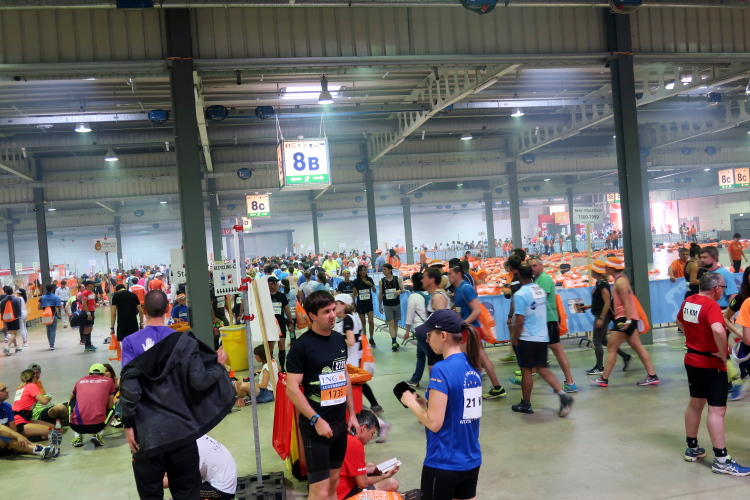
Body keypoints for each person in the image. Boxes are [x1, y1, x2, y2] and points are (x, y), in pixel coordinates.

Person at [120, 290, 235, 500]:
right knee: (187, 493)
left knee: (150, 495)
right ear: (168, 309)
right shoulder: (185, 341)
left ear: (143, 311)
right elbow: (200, 381)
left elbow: (130, 388)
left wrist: (128, 425)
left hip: (147, 436)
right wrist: (218, 366)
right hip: (182, 432)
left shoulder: (130, 342)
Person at [398, 309, 483, 500]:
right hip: (471, 460)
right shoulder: (472, 364)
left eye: (429, 335)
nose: (427, 340)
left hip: (444, 461)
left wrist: (411, 403)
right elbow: (459, 407)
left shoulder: (441, 369)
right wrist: (425, 404)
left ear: (443, 336)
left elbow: (434, 423)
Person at [285, 291, 359, 500]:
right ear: (312, 316)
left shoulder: (338, 340)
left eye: (333, 310)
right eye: (326, 312)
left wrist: (352, 415)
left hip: (339, 424)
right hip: (315, 427)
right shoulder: (301, 347)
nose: (333, 315)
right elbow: (292, 388)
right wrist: (316, 420)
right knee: (319, 491)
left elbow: (344, 376)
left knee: (334, 484)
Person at [677, 272, 750, 476]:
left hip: (692, 360)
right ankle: (722, 459)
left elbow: (679, 322)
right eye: (724, 288)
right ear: (717, 288)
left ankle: (692, 448)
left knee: (695, 404)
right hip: (711, 364)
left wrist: (694, 339)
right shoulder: (711, 307)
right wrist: (722, 352)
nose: (724, 291)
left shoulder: (689, 301)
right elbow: (718, 330)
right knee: (717, 411)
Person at [510, 265, 575, 416]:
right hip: (542, 336)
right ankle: (562, 395)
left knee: (526, 370)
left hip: (527, 337)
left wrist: (515, 338)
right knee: (542, 368)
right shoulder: (539, 290)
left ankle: (526, 404)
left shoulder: (520, 294)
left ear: (519, 276)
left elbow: (520, 320)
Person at [591, 257, 659, 387]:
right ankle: (652, 375)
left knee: (611, 347)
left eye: (607, 266)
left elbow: (627, 302)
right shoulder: (620, 280)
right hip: (628, 318)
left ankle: (604, 378)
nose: (605, 268)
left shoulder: (620, 282)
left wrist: (627, 320)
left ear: (612, 268)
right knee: (637, 347)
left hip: (624, 319)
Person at [447, 266, 506, 399]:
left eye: (450, 274)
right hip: (471, 329)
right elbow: (460, 307)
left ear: (458, 274)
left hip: (470, 329)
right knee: (481, 358)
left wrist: (462, 324)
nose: (448, 276)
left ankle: (462, 391)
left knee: (460, 360)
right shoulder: (458, 289)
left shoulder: (466, 288)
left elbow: (477, 310)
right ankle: (497, 387)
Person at [527, 258, 577, 393]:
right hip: (541, 320)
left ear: (541, 266)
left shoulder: (544, 279)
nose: (532, 268)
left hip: (548, 319)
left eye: (535, 265)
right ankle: (527, 374)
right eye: (530, 266)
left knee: (557, 350)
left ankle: (570, 382)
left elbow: (539, 298)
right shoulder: (536, 280)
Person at [581, 260, 631, 375]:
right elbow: (602, 302)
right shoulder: (599, 283)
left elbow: (607, 302)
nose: (591, 271)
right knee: (603, 340)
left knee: (596, 340)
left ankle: (599, 366)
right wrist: (589, 306)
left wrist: (601, 318)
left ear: (596, 272)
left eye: (592, 270)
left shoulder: (602, 285)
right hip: (600, 314)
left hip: (602, 315)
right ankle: (625, 356)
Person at [336, 410, 399, 500]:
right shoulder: (355, 445)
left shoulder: (346, 436)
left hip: (335, 489)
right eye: (372, 433)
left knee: (370, 465)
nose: (372, 437)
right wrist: (386, 476)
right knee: (392, 483)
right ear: (363, 428)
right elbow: (363, 483)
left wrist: (378, 468)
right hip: (343, 495)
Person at [163, 435, 238, 500]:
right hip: (223, 483)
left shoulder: (192, 450)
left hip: (222, 491)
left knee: (181, 487)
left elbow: (171, 482)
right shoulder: (195, 437)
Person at [11, 370, 63, 455]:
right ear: (34, 377)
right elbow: (44, 401)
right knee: (52, 432)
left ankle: (30, 438)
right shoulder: (31, 386)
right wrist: (48, 398)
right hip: (20, 421)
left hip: (21, 418)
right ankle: (23, 441)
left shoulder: (20, 388)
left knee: (52, 427)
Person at [0, 381, 55, 459]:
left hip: (8, 441)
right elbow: (1, 429)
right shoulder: (31, 386)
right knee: (4, 435)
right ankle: (37, 448)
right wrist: (18, 436)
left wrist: (17, 437)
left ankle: (40, 449)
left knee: (17, 444)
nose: (7, 390)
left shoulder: (7, 406)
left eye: (6, 388)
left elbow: (13, 428)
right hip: (16, 427)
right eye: (3, 390)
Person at [69, 363, 116, 448]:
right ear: (103, 373)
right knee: (113, 408)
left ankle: (77, 437)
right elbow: (109, 406)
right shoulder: (109, 381)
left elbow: (71, 397)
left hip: (75, 426)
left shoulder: (80, 380)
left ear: (89, 373)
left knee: (72, 401)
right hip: (97, 426)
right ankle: (98, 434)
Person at [404, 272, 430, 387]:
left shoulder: (413, 296)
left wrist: (407, 331)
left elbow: (410, 316)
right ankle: (415, 379)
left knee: (431, 356)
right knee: (420, 355)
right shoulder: (430, 293)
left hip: (420, 329)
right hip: (430, 328)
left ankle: (440, 380)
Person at [268, 275, 294, 372]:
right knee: (270, 346)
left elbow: (286, 309)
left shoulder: (282, 296)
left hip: (281, 322)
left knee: (282, 343)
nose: (275, 284)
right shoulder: (265, 296)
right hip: (270, 324)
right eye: (273, 283)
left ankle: (282, 367)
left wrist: (290, 322)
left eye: (276, 282)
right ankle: (271, 367)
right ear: (268, 284)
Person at [379, 264, 403, 352]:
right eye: (383, 269)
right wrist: (380, 305)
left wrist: (399, 291)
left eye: (385, 269)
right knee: (391, 323)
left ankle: (395, 339)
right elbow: (380, 294)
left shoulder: (397, 279)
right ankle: (394, 341)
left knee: (395, 323)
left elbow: (403, 289)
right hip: (387, 305)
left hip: (396, 304)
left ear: (390, 270)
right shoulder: (382, 281)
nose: (383, 271)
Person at [352, 265, 376, 347]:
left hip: (369, 303)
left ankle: (371, 338)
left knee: (371, 321)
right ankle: (364, 339)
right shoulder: (356, 281)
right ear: (359, 272)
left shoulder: (370, 279)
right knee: (363, 323)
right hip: (360, 304)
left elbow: (374, 290)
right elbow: (354, 293)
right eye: (361, 270)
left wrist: (371, 285)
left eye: (364, 270)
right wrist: (353, 303)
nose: (363, 272)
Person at [39, 284, 62, 350]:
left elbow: (39, 307)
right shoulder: (56, 297)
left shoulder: (42, 298)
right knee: (53, 330)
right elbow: (59, 306)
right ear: (52, 289)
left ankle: (50, 344)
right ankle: (52, 345)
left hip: (46, 315)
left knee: (48, 329)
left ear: (45, 289)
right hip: (53, 314)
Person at [80, 280, 98, 352]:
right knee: (87, 328)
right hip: (87, 312)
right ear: (87, 285)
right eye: (92, 284)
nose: (93, 285)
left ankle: (89, 344)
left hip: (92, 311)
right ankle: (87, 345)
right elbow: (84, 303)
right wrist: (88, 313)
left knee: (90, 328)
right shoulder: (85, 292)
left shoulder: (91, 292)